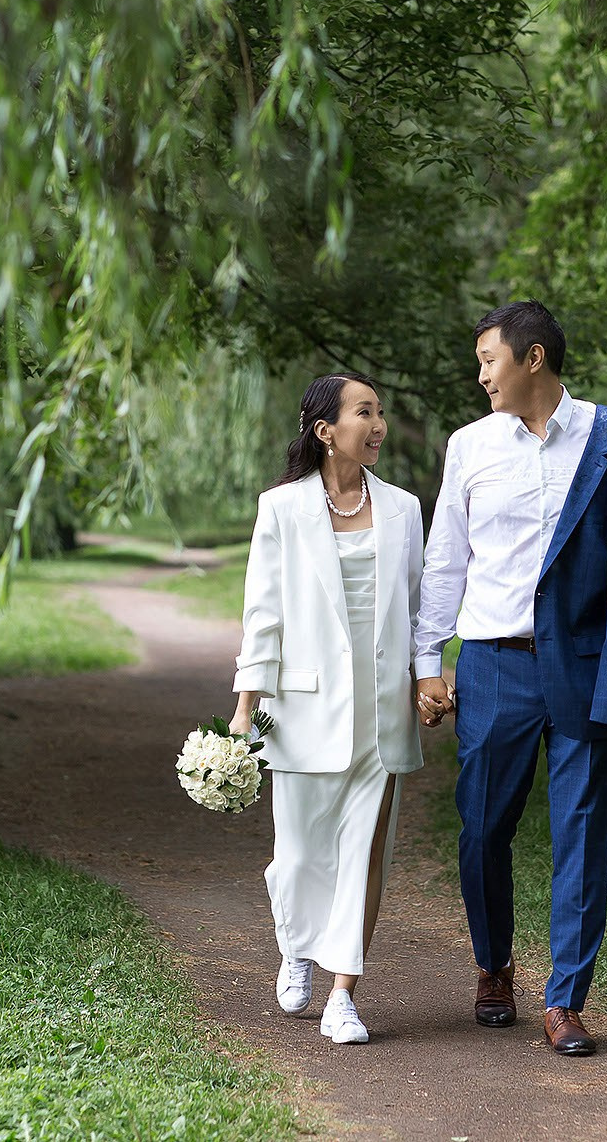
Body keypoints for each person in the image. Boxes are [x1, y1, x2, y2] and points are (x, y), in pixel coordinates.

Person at [412, 300, 607, 1056]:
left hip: (584, 665)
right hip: (496, 663)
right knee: (482, 829)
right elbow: (446, 559)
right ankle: (492, 963)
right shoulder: (469, 447)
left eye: (489, 361)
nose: (481, 376)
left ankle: (566, 999)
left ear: (533, 358)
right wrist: (428, 661)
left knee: (581, 831)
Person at [231, 371, 427, 1045]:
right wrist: (244, 705)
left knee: (365, 852)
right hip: (303, 707)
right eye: (363, 412)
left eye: (380, 412)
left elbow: (421, 607)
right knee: (297, 854)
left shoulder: (403, 508)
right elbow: (263, 615)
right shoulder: (281, 508)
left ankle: (344, 992)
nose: (377, 425)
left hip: (383, 709)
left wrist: (426, 676)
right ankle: (296, 945)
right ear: (325, 430)